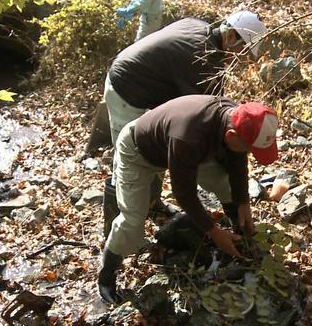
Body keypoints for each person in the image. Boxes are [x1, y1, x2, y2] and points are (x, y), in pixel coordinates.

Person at [100, 10, 268, 245]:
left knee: (160, 143)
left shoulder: (201, 29)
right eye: (241, 52)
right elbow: (212, 129)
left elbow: (224, 124)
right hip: (127, 89)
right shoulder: (202, 62)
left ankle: (152, 203)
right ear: (231, 37)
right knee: (130, 157)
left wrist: (240, 197)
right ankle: (115, 232)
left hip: (151, 86)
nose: (239, 61)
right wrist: (228, 180)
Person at [98, 94, 279, 303]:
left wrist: (243, 202)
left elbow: (237, 160)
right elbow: (184, 193)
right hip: (138, 152)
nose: (250, 154)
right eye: (250, 149)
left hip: (185, 150)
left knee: (225, 185)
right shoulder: (189, 136)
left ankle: (240, 236)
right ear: (230, 136)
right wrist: (214, 232)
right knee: (133, 219)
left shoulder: (238, 118)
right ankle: (106, 276)